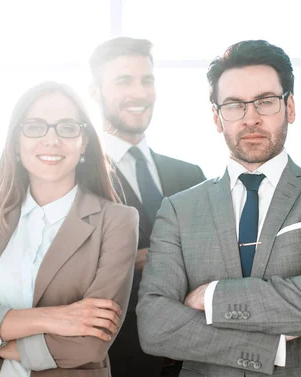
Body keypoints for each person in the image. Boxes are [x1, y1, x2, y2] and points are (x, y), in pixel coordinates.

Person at [136, 40, 301, 376]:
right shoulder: (178, 210)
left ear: (290, 107)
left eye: (265, 102)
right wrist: (271, 341)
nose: (251, 118)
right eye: (233, 105)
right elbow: (156, 325)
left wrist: (211, 298)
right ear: (217, 118)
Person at [0, 81, 138, 376]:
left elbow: (90, 342)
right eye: (35, 127)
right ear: (16, 141)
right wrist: (56, 317)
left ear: (84, 141)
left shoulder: (117, 221)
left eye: (67, 127)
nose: (52, 139)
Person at [89, 37, 206, 377]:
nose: (139, 93)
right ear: (95, 91)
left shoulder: (191, 175)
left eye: (147, 80)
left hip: (196, 361)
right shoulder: (77, 177)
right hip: (118, 361)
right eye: (123, 81)